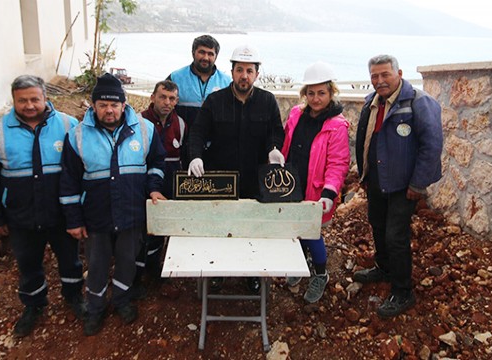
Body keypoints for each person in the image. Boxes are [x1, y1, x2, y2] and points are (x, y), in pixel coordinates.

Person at [0, 75, 85, 338]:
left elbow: (82, 173)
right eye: (22, 100)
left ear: (45, 98)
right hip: (20, 217)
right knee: (28, 264)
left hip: (61, 214)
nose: (29, 105)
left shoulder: (69, 125)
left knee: (71, 261)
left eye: (35, 99)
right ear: (13, 100)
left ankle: (74, 297)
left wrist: (78, 213)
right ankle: (34, 306)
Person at [59, 73, 166, 335]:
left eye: (114, 104)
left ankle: (121, 300)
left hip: (131, 215)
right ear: (93, 105)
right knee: (96, 266)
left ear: (124, 104)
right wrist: (73, 219)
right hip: (97, 217)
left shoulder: (144, 130)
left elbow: (157, 165)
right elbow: (69, 181)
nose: (109, 110)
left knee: (128, 262)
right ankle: (95, 309)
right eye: (103, 104)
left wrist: (153, 189)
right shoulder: (78, 136)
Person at [187, 44, 285, 293]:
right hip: (221, 180)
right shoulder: (215, 101)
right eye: (239, 69)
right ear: (231, 72)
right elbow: (197, 132)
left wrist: (274, 148)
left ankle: (252, 273)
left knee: (252, 228)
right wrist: (195, 157)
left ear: (257, 74)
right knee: (220, 228)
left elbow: (276, 131)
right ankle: (218, 271)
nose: (244, 75)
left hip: (255, 181)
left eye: (249, 70)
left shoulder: (267, 101)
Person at [353, 54, 443, 317]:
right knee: (377, 225)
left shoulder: (419, 102)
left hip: (405, 185)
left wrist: (418, 184)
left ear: (399, 74)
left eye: (385, 75)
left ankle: (403, 291)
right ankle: (384, 267)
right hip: (377, 180)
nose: (379, 81)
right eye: (374, 76)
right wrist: (365, 175)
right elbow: (366, 139)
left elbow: (432, 146)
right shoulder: (372, 102)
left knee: (396, 236)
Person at [280, 61, 350, 303]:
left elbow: (338, 163)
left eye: (322, 93)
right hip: (291, 184)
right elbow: (285, 143)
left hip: (316, 189)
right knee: (294, 228)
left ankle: (320, 273)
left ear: (331, 93)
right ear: (304, 94)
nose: (316, 98)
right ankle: (301, 264)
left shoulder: (336, 126)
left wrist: (329, 192)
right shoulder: (296, 114)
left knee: (312, 233)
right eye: (311, 93)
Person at [138, 80, 185, 280]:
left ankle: (158, 269)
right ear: (153, 98)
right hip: (143, 182)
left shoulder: (181, 124)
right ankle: (140, 272)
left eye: (171, 98)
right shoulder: (138, 121)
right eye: (162, 97)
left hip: (171, 184)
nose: (167, 102)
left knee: (164, 228)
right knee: (144, 229)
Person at [168, 34, 231, 166]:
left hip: (216, 149)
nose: (205, 58)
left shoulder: (227, 82)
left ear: (216, 56)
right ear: (193, 53)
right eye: (201, 52)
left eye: (210, 54)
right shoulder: (176, 77)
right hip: (183, 147)